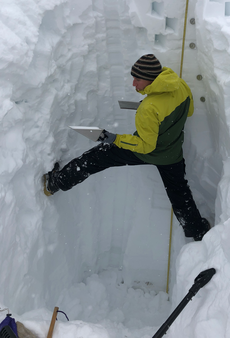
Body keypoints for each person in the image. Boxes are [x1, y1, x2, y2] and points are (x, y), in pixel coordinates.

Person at [43, 54, 210, 241]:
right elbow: (189, 110)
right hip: (172, 153)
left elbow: (146, 147)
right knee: (180, 194)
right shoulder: (180, 85)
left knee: (96, 158)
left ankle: (56, 183)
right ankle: (198, 231)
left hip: (151, 152)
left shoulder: (149, 108)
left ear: (151, 78)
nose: (134, 84)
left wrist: (114, 138)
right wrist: (159, 111)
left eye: (137, 79)